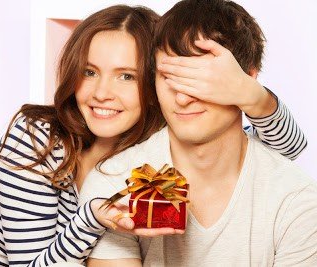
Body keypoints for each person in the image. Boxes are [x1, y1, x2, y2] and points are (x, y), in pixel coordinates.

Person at [0, 3, 308, 267]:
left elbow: (286, 149)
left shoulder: (163, 136)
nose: (101, 93)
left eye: (126, 76)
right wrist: (93, 219)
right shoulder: (37, 139)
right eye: (89, 71)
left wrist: (249, 93)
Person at [78, 1, 317, 266]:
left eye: (200, 80)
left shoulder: (295, 198)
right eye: (169, 77)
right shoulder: (114, 185)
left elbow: (291, 145)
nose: (181, 98)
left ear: (246, 81)